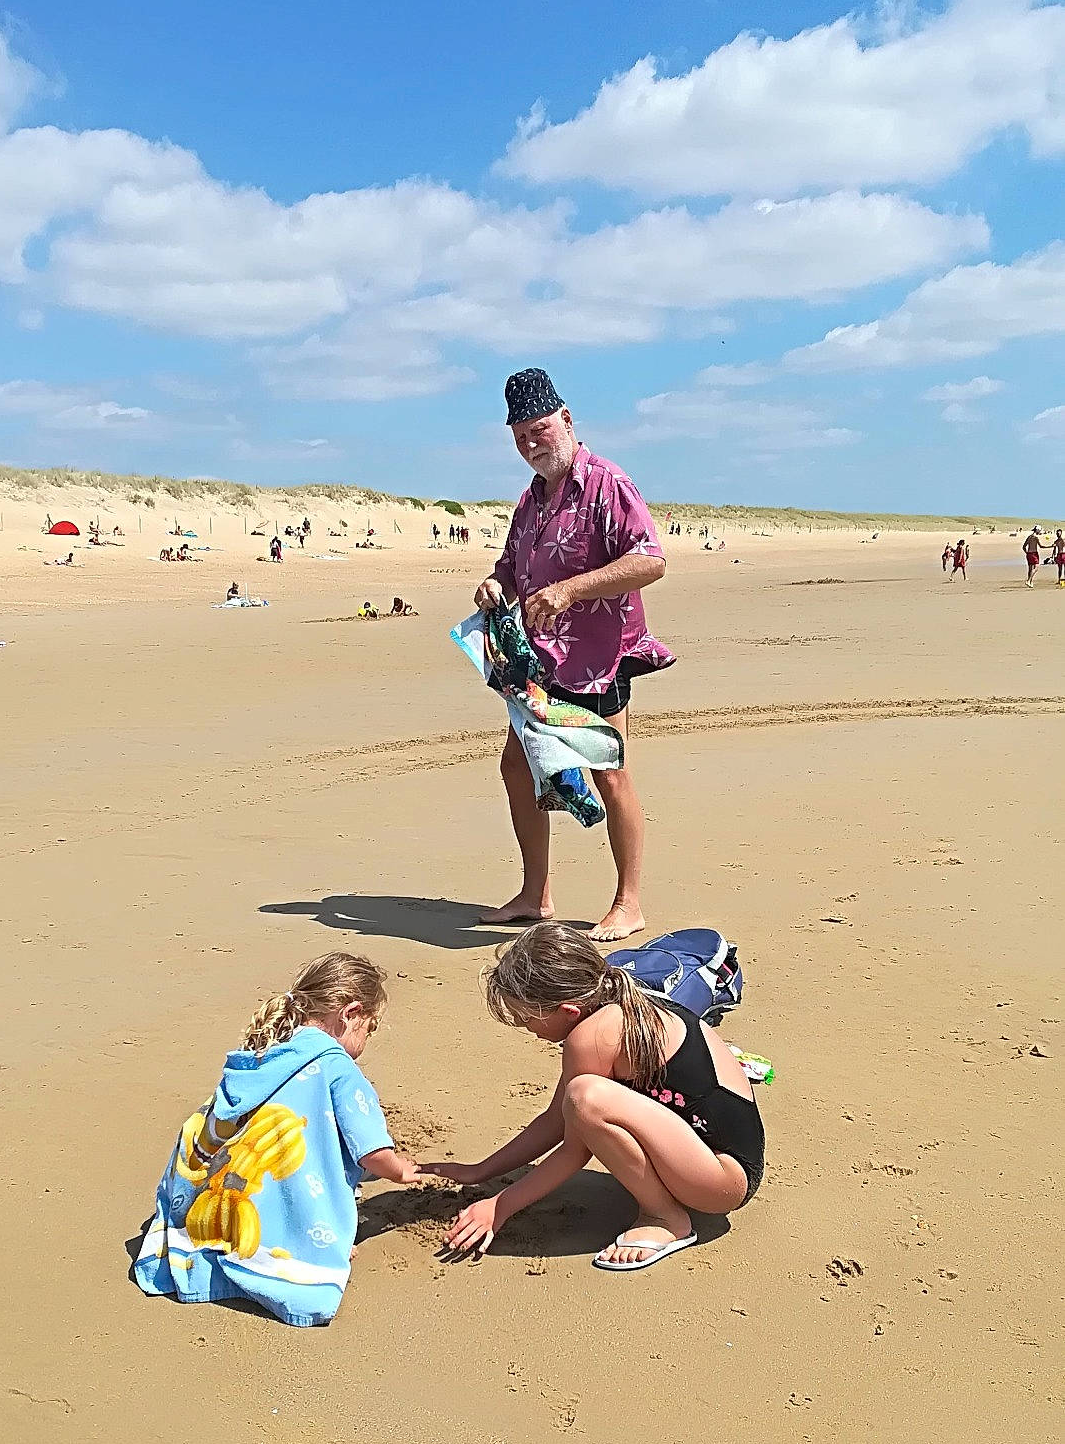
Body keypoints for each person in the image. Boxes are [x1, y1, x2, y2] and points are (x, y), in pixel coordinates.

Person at [423, 922, 763, 1271]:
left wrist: (501, 1206)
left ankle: (666, 1219)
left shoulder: (592, 1036)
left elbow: (575, 1147)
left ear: (568, 1010)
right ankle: (664, 1204)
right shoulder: (620, 994)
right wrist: (482, 1170)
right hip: (711, 1159)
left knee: (587, 1098)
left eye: (526, 1019)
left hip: (720, 1181)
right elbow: (556, 1120)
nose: (526, 1029)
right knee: (582, 1100)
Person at [474, 367, 672, 942]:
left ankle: (628, 902)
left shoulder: (608, 484)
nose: (530, 443)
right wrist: (493, 587)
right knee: (518, 767)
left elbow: (650, 560)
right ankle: (536, 894)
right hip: (540, 663)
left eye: (538, 428)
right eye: (520, 436)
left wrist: (570, 590)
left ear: (565, 420)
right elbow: (511, 571)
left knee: (610, 773)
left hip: (600, 655)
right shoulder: (531, 499)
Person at [133, 952, 422, 1325]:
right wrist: (400, 1171)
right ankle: (294, 1250)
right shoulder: (338, 1067)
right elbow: (370, 1152)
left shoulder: (265, 1051)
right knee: (308, 1160)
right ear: (349, 1013)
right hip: (278, 1196)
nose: (366, 1040)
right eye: (370, 1028)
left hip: (215, 1187)